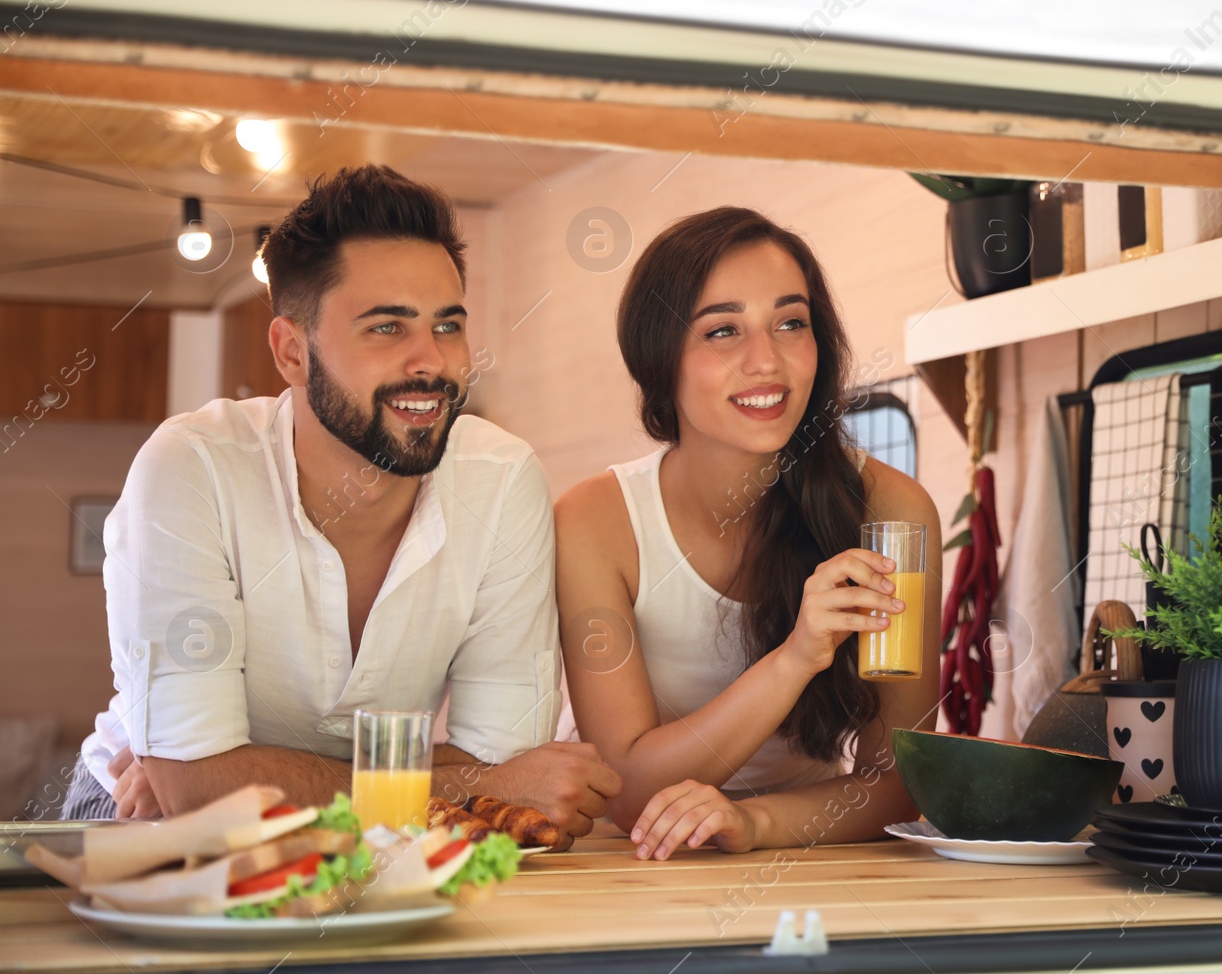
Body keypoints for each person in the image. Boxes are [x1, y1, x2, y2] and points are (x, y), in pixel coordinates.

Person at [63, 164, 621, 844]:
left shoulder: (502, 480)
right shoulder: (191, 467)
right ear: (292, 352)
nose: (432, 361)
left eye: (448, 326)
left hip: (387, 834)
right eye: (386, 328)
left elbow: (503, 759)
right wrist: (201, 779)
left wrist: (229, 774)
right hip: (136, 813)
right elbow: (193, 794)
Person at [555, 206, 940, 861]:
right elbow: (628, 790)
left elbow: (900, 781)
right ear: (660, 359)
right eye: (722, 331)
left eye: (791, 323)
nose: (766, 361)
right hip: (630, 857)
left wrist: (753, 822)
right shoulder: (596, 521)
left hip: (801, 846)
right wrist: (794, 658)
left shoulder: (891, 512)